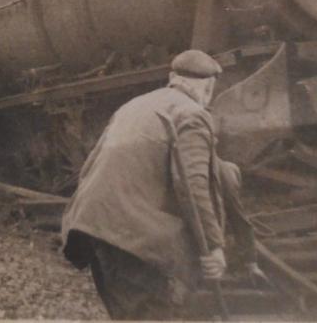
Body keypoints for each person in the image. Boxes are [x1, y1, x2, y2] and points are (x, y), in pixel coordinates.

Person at [61, 49, 266, 320]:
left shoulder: (133, 106)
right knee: (154, 313)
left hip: (95, 227)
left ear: (172, 77)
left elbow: (90, 165)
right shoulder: (193, 113)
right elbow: (193, 185)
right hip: (134, 235)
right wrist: (215, 248)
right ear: (208, 87)